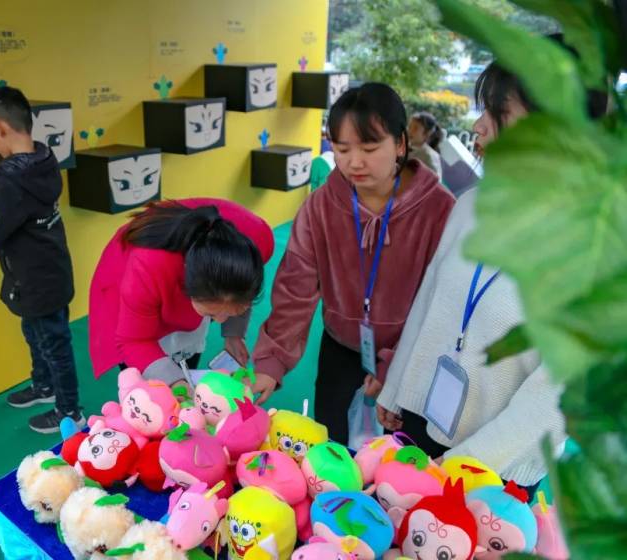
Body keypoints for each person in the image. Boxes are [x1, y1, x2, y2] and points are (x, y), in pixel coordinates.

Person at [377, 52, 608, 495]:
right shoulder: (470, 204)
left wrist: (462, 466)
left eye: (498, 113)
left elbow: (556, 398)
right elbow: (431, 298)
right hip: (419, 429)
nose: (478, 127)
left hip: (493, 472)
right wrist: (397, 390)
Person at [251, 83, 455, 443]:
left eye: (369, 148)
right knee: (332, 449)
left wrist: (396, 366)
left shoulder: (438, 209)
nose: (354, 162)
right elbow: (295, 288)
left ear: (400, 144)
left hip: (412, 359)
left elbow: (443, 303)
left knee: (403, 459)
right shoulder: (321, 206)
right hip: (341, 348)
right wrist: (272, 361)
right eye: (342, 149)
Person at [0, 86, 82, 434]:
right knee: (36, 334)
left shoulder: (13, 179)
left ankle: (70, 411)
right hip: (47, 273)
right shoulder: (42, 158)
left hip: (37, 281)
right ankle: (44, 386)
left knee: (54, 344)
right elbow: (16, 199)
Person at [89, 199, 274, 387]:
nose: (220, 320)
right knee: (146, 385)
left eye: (234, 311)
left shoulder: (259, 242)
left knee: (187, 352)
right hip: (128, 275)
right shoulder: (148, 265)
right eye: (210, 314)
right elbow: (135, 341)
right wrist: (176, 381)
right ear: (188, 286)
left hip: (184, 271)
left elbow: (236, 292)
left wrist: (234, 334)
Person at [408, 111, 443, 181]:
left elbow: (435, 182)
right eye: (409, 127)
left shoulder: (428, 156)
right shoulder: (407, 148)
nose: (410, 131)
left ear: (427, 134)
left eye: (415, 128)